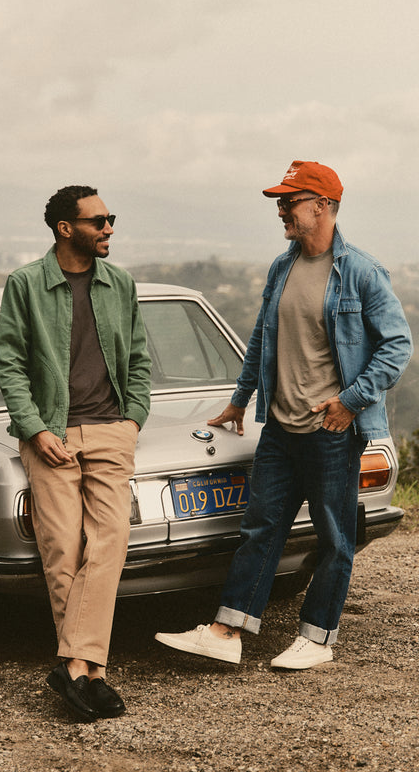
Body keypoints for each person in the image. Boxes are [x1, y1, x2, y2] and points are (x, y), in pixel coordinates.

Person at [155, 161, 413, 669]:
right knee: (261, 528)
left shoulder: (360, 271)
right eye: (281, 201)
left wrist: (349, 401)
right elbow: (260, 340)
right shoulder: (283, 266)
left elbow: (397, 346)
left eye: (289, 201)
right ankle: (227, 631)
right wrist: (239, 401)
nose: (280, 210)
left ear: (322, 206)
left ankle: (317, 639)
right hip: (279, 426)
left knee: (334, 536)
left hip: (330, 432)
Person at [0, 185, 151, 720]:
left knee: (109, 544)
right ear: (67, 228)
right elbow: (10, 364)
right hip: (50, 434)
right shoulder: (26, 285)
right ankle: (90, 675)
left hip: (110, 431)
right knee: (62, 550)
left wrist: (132, 421)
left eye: (111, 219)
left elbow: (139, 358)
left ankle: (77, 668)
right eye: (99, 221)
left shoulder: (120, 284)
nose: (109, 228)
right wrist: (36, 430)